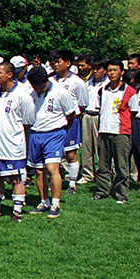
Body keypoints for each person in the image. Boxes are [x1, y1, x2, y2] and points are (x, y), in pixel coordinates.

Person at [0, 61, 35, 220]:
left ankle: (17, 212)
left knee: (15, 178)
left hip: (12, 146)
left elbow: (28, 121)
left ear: (10, 74)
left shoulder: (22, 95)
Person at [26, 66, 76, 217]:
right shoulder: (32, 94)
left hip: (54, 133)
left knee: (52, 168)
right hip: (36, 133)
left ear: (46, 81)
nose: (38, 89)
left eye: (40, 86)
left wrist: (63, 129)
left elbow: (71, 114)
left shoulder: (60, 93)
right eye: (35, 87)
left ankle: (55, 203)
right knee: (39, 170)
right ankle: (44, 201)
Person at [93, 60, 138, 203]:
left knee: (121, 164)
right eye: (110, 70)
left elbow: (133, 111)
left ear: (122, 72)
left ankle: (122, 193)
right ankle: (102, 190)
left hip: (120, 132)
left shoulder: (129, 91)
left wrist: (124, 125)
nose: (112, 73)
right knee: (103, 164)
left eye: (115, 70)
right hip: (104, 130)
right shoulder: (103, 89)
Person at [49, 50, 89, 195]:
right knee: (53, 153)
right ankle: (54, 180)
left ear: (68, 63)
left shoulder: (77, 82)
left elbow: (83, 103)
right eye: (54, 62)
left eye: (59, 61)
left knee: (70, 153)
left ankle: (72, 183)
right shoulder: (51, 80)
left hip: (70, 121)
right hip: (53, 121)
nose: (56, 64)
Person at [78, 59, 106, 185]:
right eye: (93, 69)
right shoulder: (88, 83)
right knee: (87, 147)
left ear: (104, 70)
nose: (95, 72)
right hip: (87, 115)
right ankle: (87, 174)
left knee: (100, 147)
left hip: (99, 115)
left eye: (98, 69)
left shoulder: (108, 84)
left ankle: (103, 174)